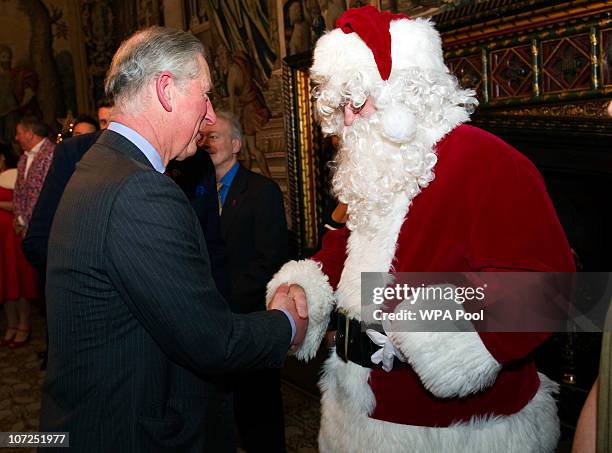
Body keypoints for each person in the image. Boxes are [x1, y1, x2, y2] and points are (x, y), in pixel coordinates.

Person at [266, 6, 575, 452]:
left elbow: (552, 290)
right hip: (353, 415)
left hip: (453, 434)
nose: (348, 123)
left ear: (407, 91)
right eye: (341, 108)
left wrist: (421, 325)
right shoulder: (377, 167)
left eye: (359, 102)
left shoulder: (483, 159)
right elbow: (342, 252)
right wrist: (303, 288)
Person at [39, 26, 308, 453]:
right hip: (132, 432)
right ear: (166, 90)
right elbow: (210, 341)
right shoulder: (139, 189)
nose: (209, 113)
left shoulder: (101, 165)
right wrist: (288, 324)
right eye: (204, 95)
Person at [200, 111, 289, 452]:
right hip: (213, 321)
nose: (207, 143)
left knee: (259, 412)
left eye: (216, 136)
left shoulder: (261, 191)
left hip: (250, 317)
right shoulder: (197, 193)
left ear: (236, 145)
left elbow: (271, 259)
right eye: (204, 137)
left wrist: (225, 299)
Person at [0, 142, 37, 347]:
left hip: (12, 237)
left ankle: (24, 324)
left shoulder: (14, 174)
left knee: (18, 280)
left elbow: (22, 203)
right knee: (4, 282)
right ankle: (11, 324)